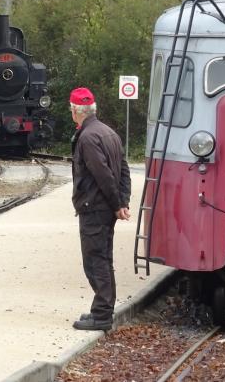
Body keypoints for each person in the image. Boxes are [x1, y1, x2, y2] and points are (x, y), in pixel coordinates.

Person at [69, 87, 131, 331]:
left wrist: (117, 204)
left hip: (95, 207)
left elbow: (103, 174)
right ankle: (101, 310)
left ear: (75, 111)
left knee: (95, 261)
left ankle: (102, 314)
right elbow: (124, 169)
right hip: (104, 206)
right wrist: (122, 201)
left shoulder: (87, 137)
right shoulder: (108, 132)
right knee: (103, 258)